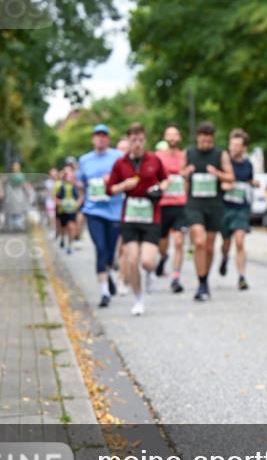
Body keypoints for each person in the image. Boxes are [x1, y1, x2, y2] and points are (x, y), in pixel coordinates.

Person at [106, 123, 168, 316]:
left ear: (145, 140)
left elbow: (166, 179)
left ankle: (150, 273)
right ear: (128, 141)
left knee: (147, 262)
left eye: (141, 140)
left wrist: (159, 189)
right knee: (132, 260)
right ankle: (138, 299)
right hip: (130, 215)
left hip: (151, 215)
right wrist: (123, 185)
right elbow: (110, 190)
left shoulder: (154, 160)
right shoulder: (120, 164)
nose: (137, 144)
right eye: (133, 140)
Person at [184, 121, 235, 302]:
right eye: (203, 141)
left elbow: (231, 177)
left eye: (209, 142)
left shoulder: (220, 154)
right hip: (194, 204)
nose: (206, 144)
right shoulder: (189, 153)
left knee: (209, 246)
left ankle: (204, 280)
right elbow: (181, 176)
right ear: (197, 138)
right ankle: (201, 282)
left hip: (214, 205)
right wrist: (185, 173)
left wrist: (217, 174)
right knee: (199, 241)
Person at [78, 124, 125, 308]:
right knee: (100, 247)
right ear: (93, 139)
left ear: (108, 139)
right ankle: (104, 292)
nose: (101, 139)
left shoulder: (118, 157)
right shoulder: (85, 160)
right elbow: (81, 183)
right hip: (94, 210)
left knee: (110, 252)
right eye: (97, 136)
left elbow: (126, 177)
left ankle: (108, 274)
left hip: (113, 211)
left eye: (104, 136)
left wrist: (112, 182)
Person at [218, 128, 258, 290]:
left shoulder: (248, 164)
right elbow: (218, 181)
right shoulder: (223, 162)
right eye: (231, 144)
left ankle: (242, 277)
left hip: (241, 207)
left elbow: (248, 180)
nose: (233, 148)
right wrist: (224, 185)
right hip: (225, 207)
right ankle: (225, 257)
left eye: (237, 145)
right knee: (226, 243)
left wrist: (252, 183)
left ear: (244, 148)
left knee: (240, 241)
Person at [155, 124, 189, 294]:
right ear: (165, 137)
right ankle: (163, 256)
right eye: (169, 135)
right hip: (162, 205)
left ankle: (175, 278)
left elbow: (188, 178)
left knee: (178, 241)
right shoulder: (158, 157)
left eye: (175, 135)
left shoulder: (184, 156)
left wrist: (186, 175)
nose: (173, 138)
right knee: (162, 243)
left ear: (180, 138)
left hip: (180, 205)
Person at [53, 164, 82, 254]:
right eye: (68, 176)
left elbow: (81, 196)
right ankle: (62, 239)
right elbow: (55, 198)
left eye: (71, 176)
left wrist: (77, 204)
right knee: (63, 226)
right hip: (62, 210)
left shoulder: (76, 186)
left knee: (71, 226)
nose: (69, 178)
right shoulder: (60, 186)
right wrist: (60, 203)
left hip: (72, 210)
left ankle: (70, 245)